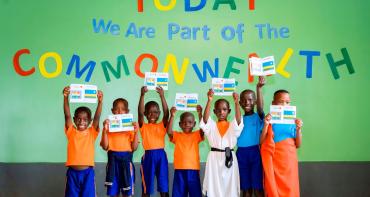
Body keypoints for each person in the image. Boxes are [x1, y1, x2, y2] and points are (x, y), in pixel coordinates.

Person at [200, 89, 244, 197]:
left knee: (230, 186)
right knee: (214, 186)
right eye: (218, 110)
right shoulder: (211, 125)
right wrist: (209, 100)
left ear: (229, 111)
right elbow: (204, 121)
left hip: (229, 157)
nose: (221, 112)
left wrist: (236, 102)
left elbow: (239, 122)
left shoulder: (232, 125)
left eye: (224, 109)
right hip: (214, 158)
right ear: (214, 112)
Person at [260, 89, 303, 197]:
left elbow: (298, 144)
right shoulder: (270, 120)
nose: (284, 105)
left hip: (289, 163)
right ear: (273, 104)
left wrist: (298, 129)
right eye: (281, 102)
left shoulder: (293, 122)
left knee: (291, 188)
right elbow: (261, 141)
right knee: (274, 189)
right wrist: (266, 124)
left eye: (287, 102)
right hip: (275, 162)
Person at [63, 86, 103, 197]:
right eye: (79, 119)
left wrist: (100, 102)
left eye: (85, 119)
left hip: (88, 173)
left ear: (89, 121)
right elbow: (67, 115)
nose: (81, 121)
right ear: (75, 119)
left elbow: (97, 117)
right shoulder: (71, 131)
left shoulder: (92, 132)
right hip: (72, 173)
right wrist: (66, 97)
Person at [100, 98, 139, 197]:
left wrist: (136, 132)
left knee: (127, 193)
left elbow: (134, 148)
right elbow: (105, 146)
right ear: (112, 111)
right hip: (113, 163)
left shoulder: (131, 127)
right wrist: (104, 130)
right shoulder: (108, 127)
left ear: (127, 112)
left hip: (126, 162)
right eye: (116, 109)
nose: (119, 111)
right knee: (113, 193)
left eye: (123, 109)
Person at [138, 86, 170, 197]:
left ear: (159, 113)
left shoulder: (162, 125)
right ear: (146, 113)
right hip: (148, 156)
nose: (152, 114)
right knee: (147, 187)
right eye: (149, 112)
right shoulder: (143, 126)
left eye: (155, 112)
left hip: (161, 156)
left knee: (164, 187)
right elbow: (140, 113)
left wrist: (162, 96)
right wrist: (142, 95)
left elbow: (167, 113)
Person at [237, 76, 265, 197]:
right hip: (241, 154)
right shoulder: (238, 119)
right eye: (243, 100)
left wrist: (258, 88)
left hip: (255, 153)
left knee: (258, 188)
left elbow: (260, 108)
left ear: (254, 101)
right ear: (240, 103)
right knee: (246, 188)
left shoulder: (258, 117)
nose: (247, 102)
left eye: (250, 100)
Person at [166, 105, 204, 197]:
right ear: (179, 124)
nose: (187, 124)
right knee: (179, 194)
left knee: (195, 194)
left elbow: (203, 130)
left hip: (193, 170)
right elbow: (169, 132)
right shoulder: (177, 135)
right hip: (179, 170)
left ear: (194, 124)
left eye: (190, 122)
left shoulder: (197, 135)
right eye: (184, 122)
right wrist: (172, 116)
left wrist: (200, 114)